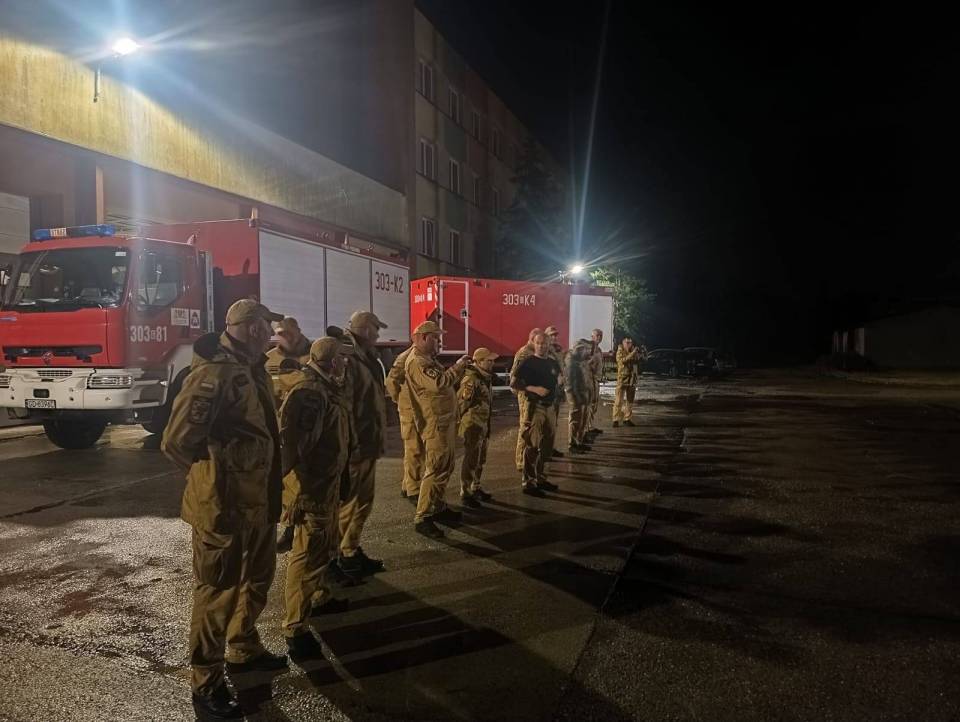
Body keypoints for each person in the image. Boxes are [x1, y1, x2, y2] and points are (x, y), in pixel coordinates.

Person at [161, 299, 287, 720]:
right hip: (224, 506)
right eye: (268, 325)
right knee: (218, 592)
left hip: (258, 501)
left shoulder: (251, 368)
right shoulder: (213, 375)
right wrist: (214, 476)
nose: (273, 333)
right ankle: (206, 681)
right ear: (251, 328)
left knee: (258, 577)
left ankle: (243, 645)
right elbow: (176, 442)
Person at [278, 336, 354, 661]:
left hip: (327, 486)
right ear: (332, 362)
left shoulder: (325, 387)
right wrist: (300, 494)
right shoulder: (311, 393)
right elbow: (296, 449)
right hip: (313, 490)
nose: (346, 363)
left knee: (323, 549)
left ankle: (319, 596)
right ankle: (295, 628)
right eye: (343, 358)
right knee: (307, 557)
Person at [404, 320, 471, 538]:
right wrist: (458, 367)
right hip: (435, 424)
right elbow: (439, 383)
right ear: (423, 338)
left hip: (443, 422)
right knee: (435, 468)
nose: (439, 342)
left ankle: (437, 506)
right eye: (435, 337)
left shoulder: (427, 359)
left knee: (445, 466)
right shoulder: (418, 362)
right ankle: (423, 517)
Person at [337, 310, 389, 578]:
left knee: (362, 502)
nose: (378, 335)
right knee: (349, 504)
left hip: (367, 442)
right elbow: (344, 406)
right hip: (356, 446)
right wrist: (351, 444)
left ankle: (349, 549)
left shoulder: (366, 357)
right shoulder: (348, 358)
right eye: (376, 329)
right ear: (366, 330)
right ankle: (337, 557)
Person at [265, 316, 312, 554]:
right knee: (285, 485)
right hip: (278, 431)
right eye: (280, 333)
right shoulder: (269, 360)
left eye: (289, 333)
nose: (285, 337)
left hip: (306, 432)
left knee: (305, 485)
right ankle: (290, 528)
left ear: (298, 331)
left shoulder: (312, 357)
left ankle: (299, 532)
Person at [512, 332, 561, 496]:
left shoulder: (552, 363)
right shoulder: (528, 362)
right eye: (538, 343)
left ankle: (541, 478)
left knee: (548, 445)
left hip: (550, 408)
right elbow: (514, 383)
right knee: (532, 445)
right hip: (535, 408)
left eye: (544, 343)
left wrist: (560, 383)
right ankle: (529, 482)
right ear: (534, 343)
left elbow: (558, 378)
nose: (541, 346)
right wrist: (533, 389)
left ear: (548, 344)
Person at [458, 347, 498, 507]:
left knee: (481, 458)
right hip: (473, 425)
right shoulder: (471, 380)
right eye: (489, 360)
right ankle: (466, 492)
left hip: (483, 424)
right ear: (479, 362)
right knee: (471, 459)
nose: (492, 363)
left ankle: (476, 486)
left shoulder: (484, 377)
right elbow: (462, 404)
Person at [386, 344, 423, 502]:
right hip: (410, 411)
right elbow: (391, 382)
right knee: (414, 449)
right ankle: (413, 490)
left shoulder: (421, 356)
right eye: (435, 338)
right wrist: (401, 401)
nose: (439, 343)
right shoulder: (407, 357)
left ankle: (407, 485)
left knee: (415, 449)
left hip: (416, 410)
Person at [509, 328, 541, 471]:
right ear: (532, 340)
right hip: (526, 396)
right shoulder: (524, 354)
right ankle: (521, 461)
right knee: (525, 427)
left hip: (533, 395)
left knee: (532, 427)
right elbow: (515, 379)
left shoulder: (533, 353)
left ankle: (529, 459)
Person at [565, 340, 593, 454]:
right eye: (584, 349)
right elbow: (570, 383)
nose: (587, 351)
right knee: (575, 419)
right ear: (579, 350)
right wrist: (577, 397)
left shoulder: (581, 361)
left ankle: (579, 441)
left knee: (582, 419)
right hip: (576, 395)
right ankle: (572, 443)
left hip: (583, 393)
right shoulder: (571, 362)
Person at [544, 326, 566, 459]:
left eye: (555, 335)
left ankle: (550, 448)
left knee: (554, 422)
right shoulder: (543, 350)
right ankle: (543, 450)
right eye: (551, 335)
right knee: (547, 422)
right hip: (548, 391)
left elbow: (562, 367)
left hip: (557, 390)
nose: (554, 337)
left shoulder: (559, 350)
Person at [613, 337, 643, 427]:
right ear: (623, 343)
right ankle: (615, 419)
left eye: (630, 342)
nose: (629, 344)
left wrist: (640, 354)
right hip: (622, 378)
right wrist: (632, 353)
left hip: (632, 379)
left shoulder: (633, 350)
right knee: (619, 400)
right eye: (627, 342)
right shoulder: (620, 351)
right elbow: (622, 361)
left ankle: (627, 419)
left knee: (630, 401)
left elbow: (638, 361)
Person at [586, 328, 605, 437]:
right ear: (592, 337)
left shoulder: (599, 350)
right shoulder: (589, 349)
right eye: (597, 335)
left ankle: (590, 425)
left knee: (594, 403)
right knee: (589, 403)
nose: (599, 338)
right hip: (590, 379)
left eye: (600, 336)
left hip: (596, 380)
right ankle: (586, 427)